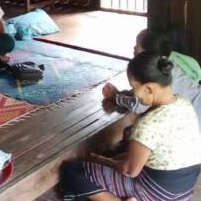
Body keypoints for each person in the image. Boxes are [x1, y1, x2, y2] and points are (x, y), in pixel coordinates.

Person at [61, 51, 201, 200]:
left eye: (134, 88)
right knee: (121, 156)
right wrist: (107, 161)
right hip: (182, 192)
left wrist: (104, 161)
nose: (134, 94)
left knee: (73, 172)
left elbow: (130, 170)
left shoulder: (149, 123)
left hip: (159, 193)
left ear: (149, 89)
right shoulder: (183, 103)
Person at [102, 28, 201, 126]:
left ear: (146, 52)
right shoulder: (165, 63)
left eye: (137, 45)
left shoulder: (152, 72)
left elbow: (138, 106)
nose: (134, 47)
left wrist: (116, 97)